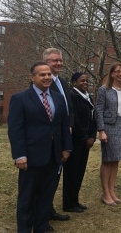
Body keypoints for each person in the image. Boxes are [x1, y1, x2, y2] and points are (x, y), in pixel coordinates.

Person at [8, 62, 72, 233]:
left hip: (54, 155)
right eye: (42, 74)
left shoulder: (58, 98)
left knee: (47, 194)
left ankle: (41, 226)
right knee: (27, 197)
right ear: (32, 77)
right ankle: (24, 228)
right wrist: (19, 155)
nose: (47, 77)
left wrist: (66, 147)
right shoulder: (20, 98)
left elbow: (63, 125)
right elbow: (15, 130)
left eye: (49, 74)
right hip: (31, 156)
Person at [42, 48, 74, 221]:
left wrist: (69, 125)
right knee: (46, 177)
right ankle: (41, 211)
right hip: (49, 138)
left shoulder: (62, 81)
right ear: (46, 62)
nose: (59, 63)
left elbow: (69, 108)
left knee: (56, 173)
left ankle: (49, 208)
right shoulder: (42, 82)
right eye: (55, 60)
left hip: (64, 135)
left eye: (60, 60)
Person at [62, 73, 97, 213]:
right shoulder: (72, 97)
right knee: (71, 173)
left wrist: (93, 136)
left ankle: (75, 201)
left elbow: (93, 118)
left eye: (87, 80)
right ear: (74, 82)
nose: (85, 83)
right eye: (82, 80)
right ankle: (68, 204)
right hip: (76, 141)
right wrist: (84, 138)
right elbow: (74, 120)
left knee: (79, 172)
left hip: (87, 141)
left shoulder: (88, 97)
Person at [96, 63, 121, 205]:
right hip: (109, 127)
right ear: (112, 74)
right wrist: (101, 130)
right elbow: (99, 110)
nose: (120, 74)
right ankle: (105, 193)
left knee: (116, 160)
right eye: (117, 71)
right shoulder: (104, 90)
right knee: (107, 160)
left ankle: (112, 191)